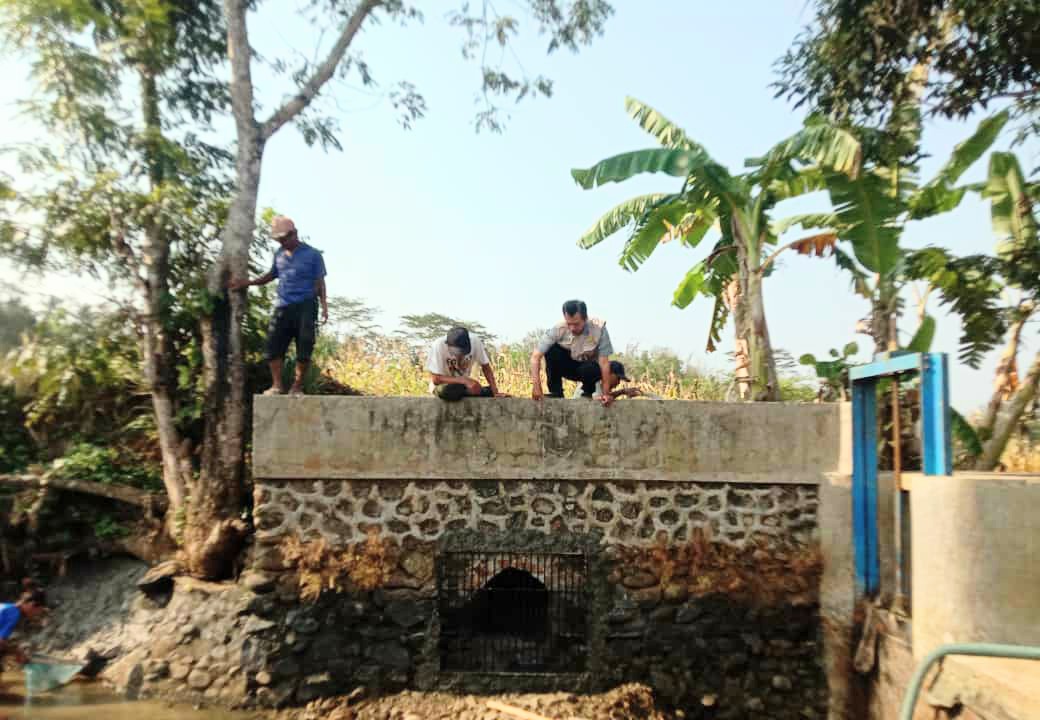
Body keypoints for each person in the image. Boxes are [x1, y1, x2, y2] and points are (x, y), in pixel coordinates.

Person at [229, 216, 329, 396]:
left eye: (285, 238)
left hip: (306, 305)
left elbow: (320, 282)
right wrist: (248, 283)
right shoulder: (279, 255)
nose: (282, 242)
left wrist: (324, 306)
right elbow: (271, 275)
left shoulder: (313, 255)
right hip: (283, 305)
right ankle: (277, 385)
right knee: (273, 344)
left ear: (295, 234)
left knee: (305, 344)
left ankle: (297, 386)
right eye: (279, 240)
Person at [530, 300, 618, 405]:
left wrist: (606, 394)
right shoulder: (558, 328)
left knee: (595, 368)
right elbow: (535, 357)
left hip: (588, 369)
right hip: (569, 366)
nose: (572, 328)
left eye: (576, 324)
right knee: (552, 350)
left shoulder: (599, 329)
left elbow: (604, 363)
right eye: (569, 324)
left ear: (585, 319)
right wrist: (536, 387)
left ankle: (587, 392)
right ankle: (556, 391)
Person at [426, 327, 507, 401]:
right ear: (447, 344)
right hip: (446, 386)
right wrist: (464, 380)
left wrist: (495, 392)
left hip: (464, 386)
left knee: (488, 391)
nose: (459, 355)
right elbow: (436, 379)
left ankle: (475, 391)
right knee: (445, 391)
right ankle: (476, 392)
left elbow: (486, 367)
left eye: (462, 352)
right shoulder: (438, 345)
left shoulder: (475, 342)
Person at [0, 586, 47, 669]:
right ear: (31, 605)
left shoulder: (6, 606)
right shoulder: (14, 614)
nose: (36, 615)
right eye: (38, 611)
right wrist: (18, 653)